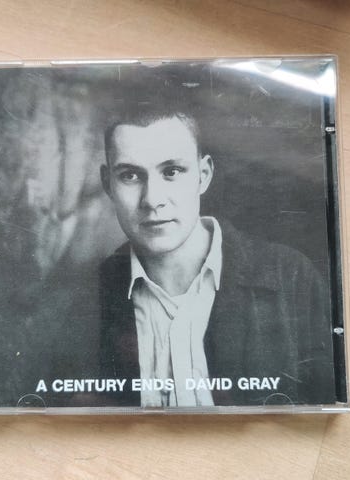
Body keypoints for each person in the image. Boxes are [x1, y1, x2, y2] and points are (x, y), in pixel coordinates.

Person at [99, 106, 336, 408]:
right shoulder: (80, 299)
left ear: (204, 175)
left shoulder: (291, 276)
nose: (152, 200)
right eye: (130, 176)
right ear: (107, 184)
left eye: (172, 172)